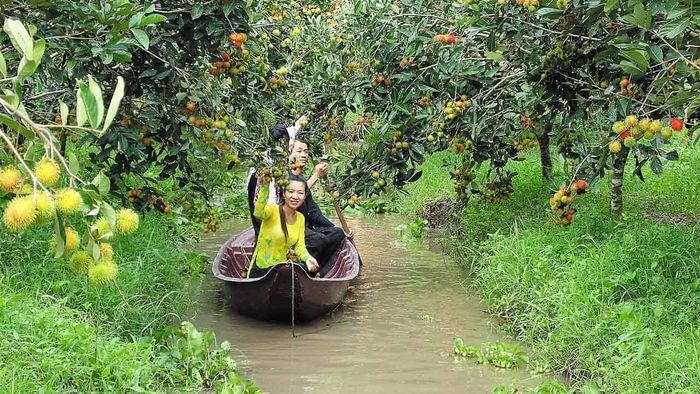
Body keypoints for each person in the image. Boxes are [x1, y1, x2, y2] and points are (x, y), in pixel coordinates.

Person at [288, 134, 350, 268]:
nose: (303, 155)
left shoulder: (302, 180)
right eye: (299, 151)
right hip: (288, 228)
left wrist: (334, 228)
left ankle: (315, 268)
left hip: (304, 228)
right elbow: (292, 199)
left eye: (306, 151)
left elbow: (315, 214)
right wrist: (316, 176)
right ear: (290, 153)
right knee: (319, 240)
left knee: (336, 233)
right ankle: (299, 265)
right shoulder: (285, 179)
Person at [247, 174, 319, 278]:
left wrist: (308, 258)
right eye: (290, 191)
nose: (295, 196)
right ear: (284, 193)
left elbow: (300, 247)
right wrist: (265, 187)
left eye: (300, 193)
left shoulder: (300, 218)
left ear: (304, 196)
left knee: (303, 269)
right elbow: (258, 213)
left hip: (280, 271)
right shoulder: (272, 210)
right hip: (261, 270)